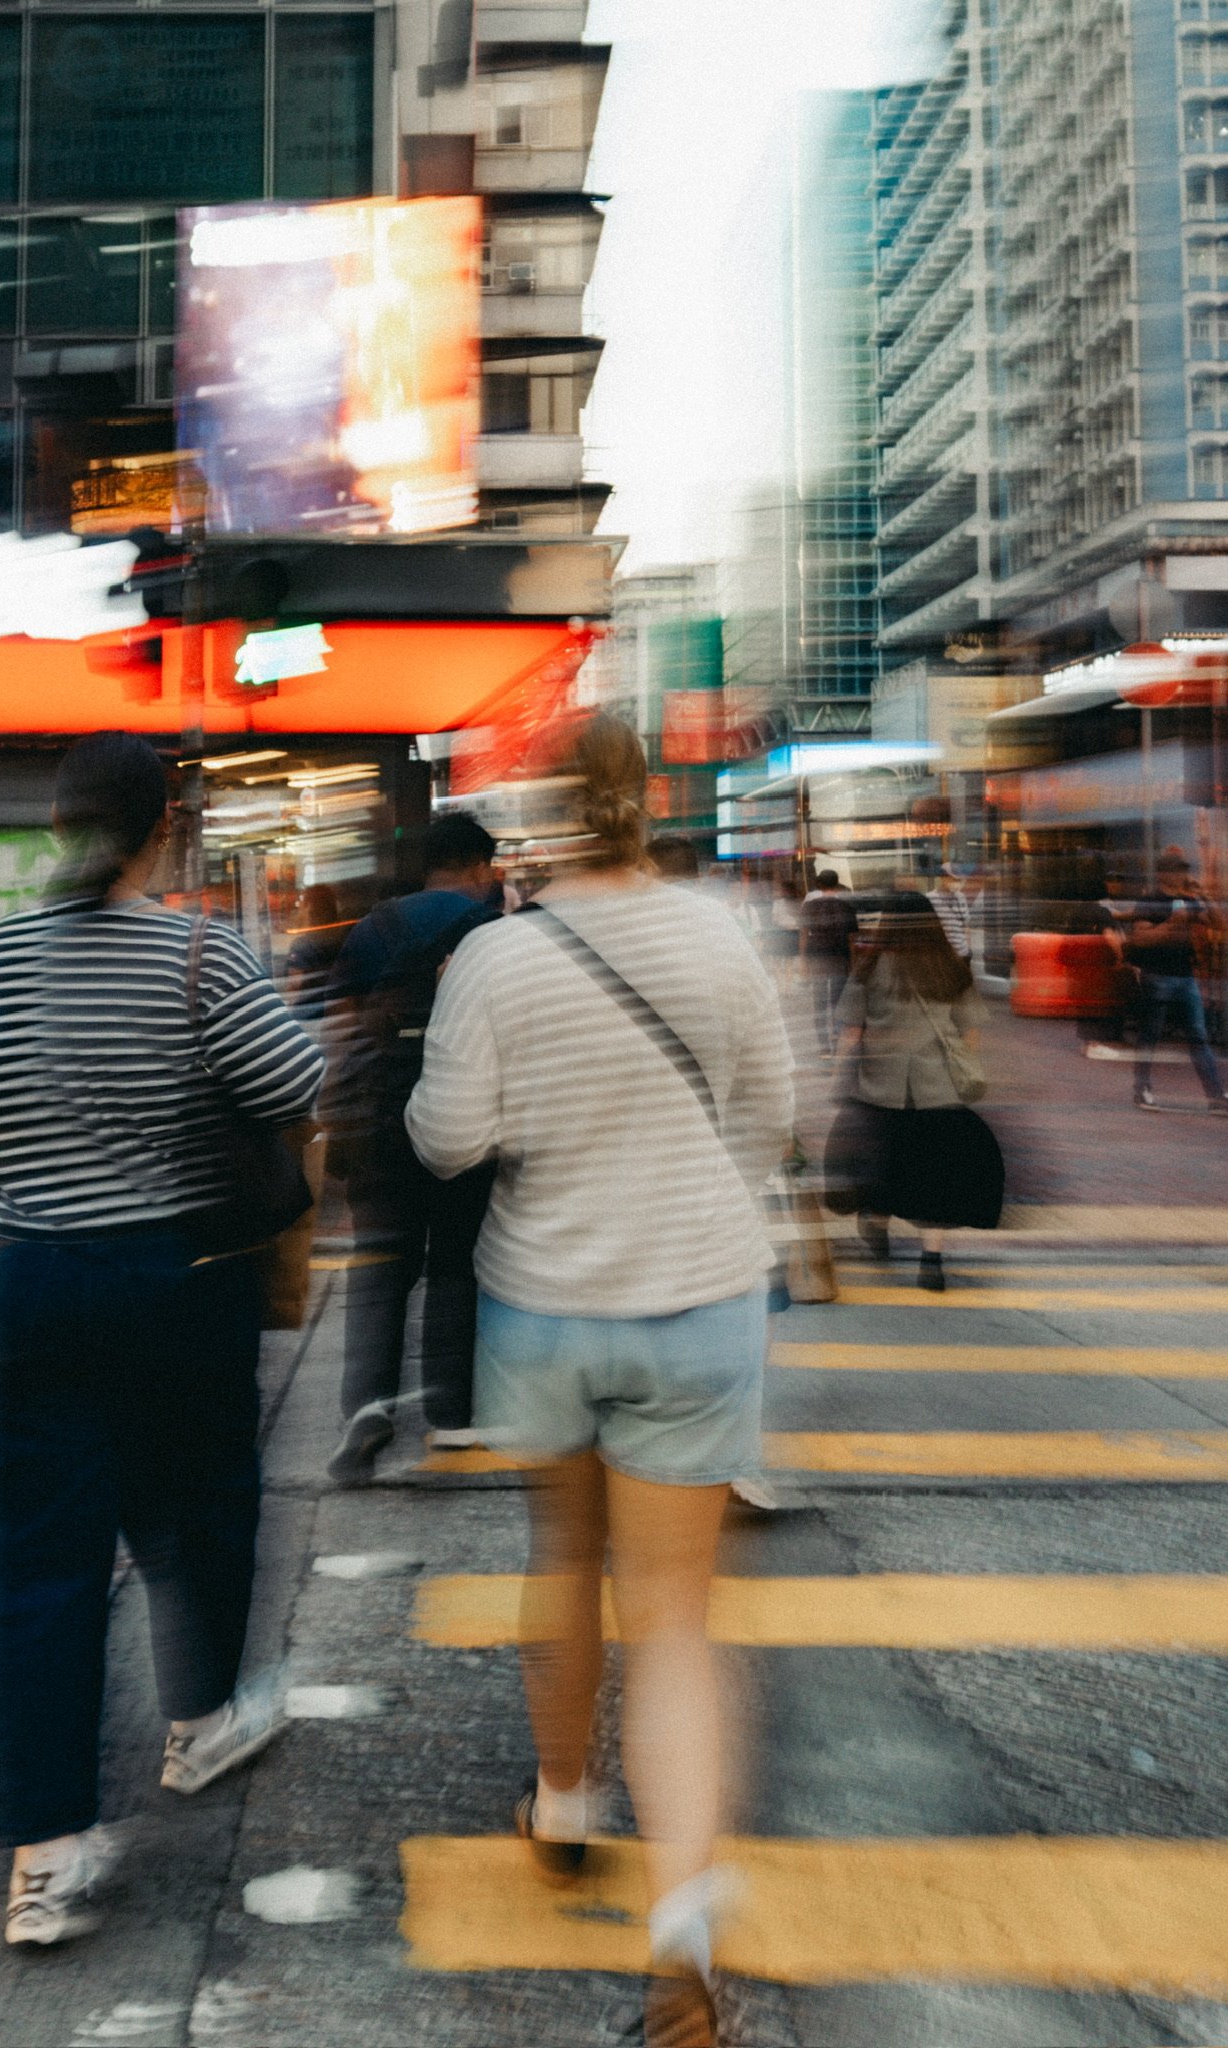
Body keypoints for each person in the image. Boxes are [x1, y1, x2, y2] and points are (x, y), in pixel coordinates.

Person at [406, 715, 794, 2048]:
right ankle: (681, 1930)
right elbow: (768, 1116)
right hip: (699, 1300)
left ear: (548, 822)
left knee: (562, 1558)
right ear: (647, 808)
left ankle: (563, 1802)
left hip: (548, 1303)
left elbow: (449, 1141)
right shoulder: (720, 936)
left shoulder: (495, 957)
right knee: (676, 1620)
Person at [0, 732, 324, 1949]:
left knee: (28, 1563)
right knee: (201, 1507)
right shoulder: (201, 953)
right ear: (166, 827)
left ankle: (46, 1859)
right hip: (171, 1280)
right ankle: (203, 1720)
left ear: (59, 824)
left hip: (18, 1284)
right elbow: (294, 1080)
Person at [321, 812, 502, 1485]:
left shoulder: (376, 927)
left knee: (380, 1272)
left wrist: (341, 1122)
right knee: (455, 1267)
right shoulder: (491, 932)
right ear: (481, 866)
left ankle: (366, 1410)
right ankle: (449, 1417)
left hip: (381, 1125)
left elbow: (342, 1034)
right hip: (463, 1117)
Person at [823, 895, 1003, 1291]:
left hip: (878, 1085)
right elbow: (969, 1029)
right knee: (934, 1172)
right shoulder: (952, 968)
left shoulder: (869, 968)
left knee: (884, 1161)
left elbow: (852, 1032)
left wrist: (836, 1076)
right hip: (938, 1090)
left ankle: (875, 1223)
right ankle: (931, 1260)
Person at [1120, 848, 1228, 1113]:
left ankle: (1216, 1095)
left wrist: (1205, 897)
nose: (1183, 875)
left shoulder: (1189, 900)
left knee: (1198, 1036)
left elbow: (1221, 925)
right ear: (1164, 873)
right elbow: (1141, 938)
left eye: (1185, 870)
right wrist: (1172, 925)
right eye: (1178, 870)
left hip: (1185, 977)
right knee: (1150, 1036)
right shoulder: (1151, 900)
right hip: (1157, 975)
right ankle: (1141, 1090)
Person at [798, 870, 858, 1059]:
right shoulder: (847, 906)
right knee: (839, 1002)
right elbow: (852, 939)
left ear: (819, 885)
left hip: (817, 957)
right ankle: (837, 1039)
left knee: (820, 1003)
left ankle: (824, 1048)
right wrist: (853, 963)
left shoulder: (809, 906)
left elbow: (803, 936)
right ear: (837, 884)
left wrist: (804, 962)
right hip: (840, 958)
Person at [282, 883, 348, 1022]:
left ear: (309, 907)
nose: (298, 909)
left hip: (308, 1017)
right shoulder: (344, 938)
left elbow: (295, 985)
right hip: (339, 1014)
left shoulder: (302, 945)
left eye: (301, 903)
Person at [927, 864, 974, 962]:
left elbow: (966, 926)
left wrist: (968, 951)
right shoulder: (930, 899)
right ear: (942, 878)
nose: (957, 883)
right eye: (953, 879)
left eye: (958, 880)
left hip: (962, 954)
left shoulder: (960, 897)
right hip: (943, 956)